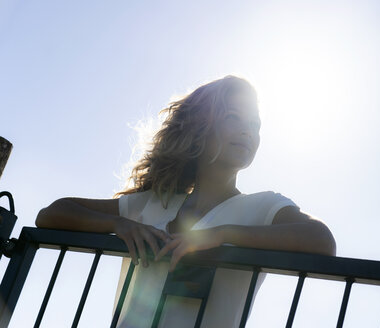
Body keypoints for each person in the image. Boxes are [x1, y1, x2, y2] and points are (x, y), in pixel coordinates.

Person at [36, 75, 336, 327]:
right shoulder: (154, 203)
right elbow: (50, 214)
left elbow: (322, 240)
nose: (248, 131)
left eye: (255, 124)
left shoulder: (264, 206)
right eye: (233, 118)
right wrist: (118, 225)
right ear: (200, 127)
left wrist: (221, 236)